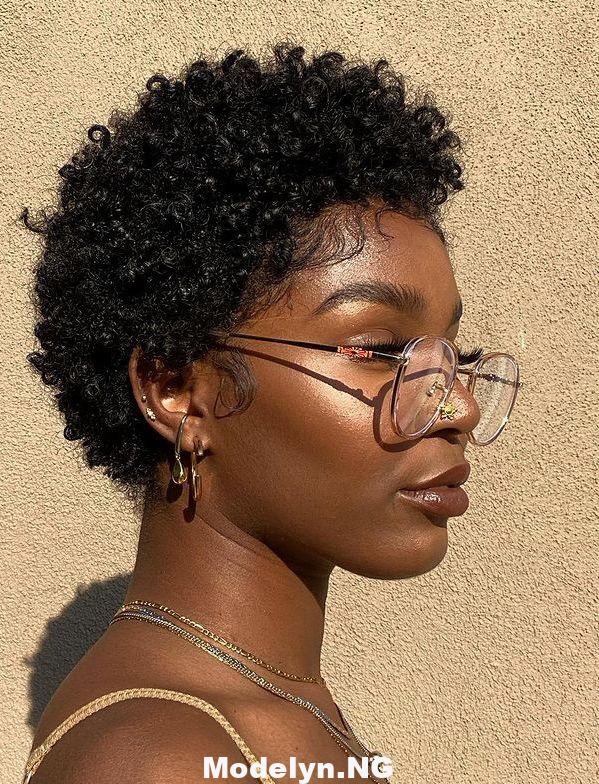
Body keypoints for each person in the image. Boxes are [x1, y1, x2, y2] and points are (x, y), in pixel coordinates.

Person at [20, 41, 522, 783]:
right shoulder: (157, 758)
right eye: (381, 350)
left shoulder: (274, 705)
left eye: (453, 353)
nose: (460, 405)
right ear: (175, 389)